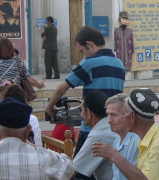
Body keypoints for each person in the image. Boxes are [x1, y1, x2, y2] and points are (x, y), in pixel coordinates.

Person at [45, 26, 125, 156]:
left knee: (78, 170)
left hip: (91, 128)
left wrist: (49, 107)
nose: (83, 55)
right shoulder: (118, 63)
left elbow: (62, 87)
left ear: (89, 44)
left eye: (82, 51)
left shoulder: (89, 63)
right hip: (114, 127)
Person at [96, 93, 139, 180]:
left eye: (113, 115)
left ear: (128, 116)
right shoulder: (117, 140)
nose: (109, 120)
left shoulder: (136, 142)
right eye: (108, 115)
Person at [71, 90, 118, 180]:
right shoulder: (109, 126)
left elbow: (71, 172)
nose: (81, 114)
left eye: (82, 110)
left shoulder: (99, 135)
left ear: (89, 113)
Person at [0, 38, 45, 118]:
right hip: (17, 101)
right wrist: (39, 85)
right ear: (11, 49)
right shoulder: (18, 62)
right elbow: (28, 78)